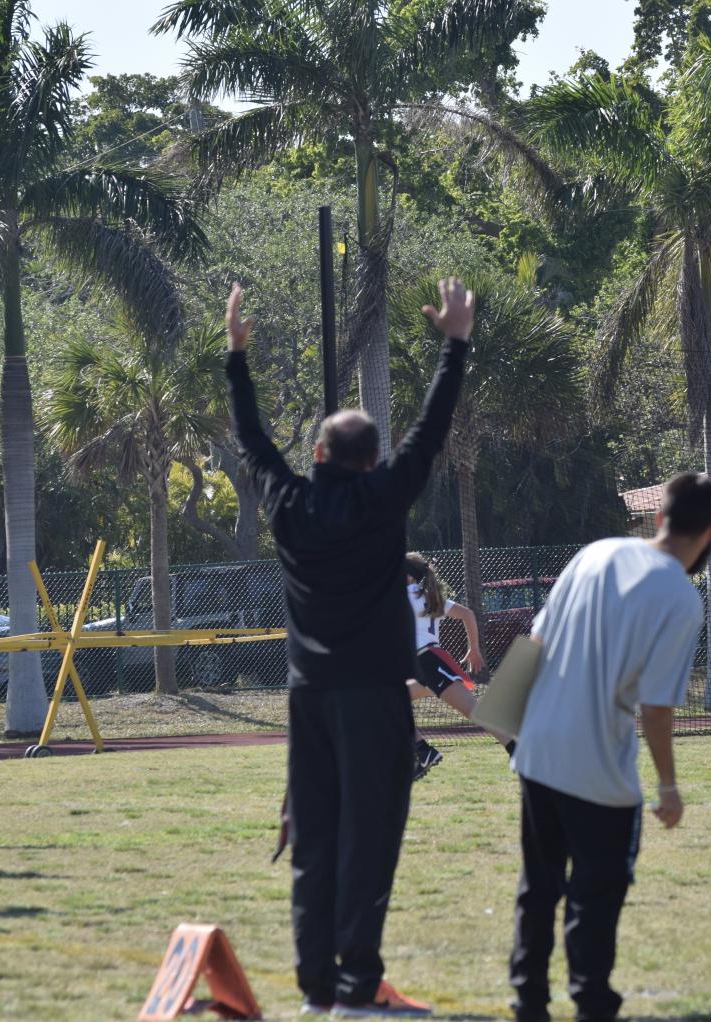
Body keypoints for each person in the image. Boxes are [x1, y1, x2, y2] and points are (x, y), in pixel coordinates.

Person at [225, 278, 474, 1017]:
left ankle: (313, 991)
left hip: (307, 700)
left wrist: (236, 357)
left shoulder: (288, 503)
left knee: (315, 845)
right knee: (370, 844)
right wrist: (453, 345)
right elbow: (430, 432)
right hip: (373, 698)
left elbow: (251, 439)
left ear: (316, 453)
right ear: (372, 464)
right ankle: (355, 988)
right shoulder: (382, 498)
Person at [506, 472, 711, 1022]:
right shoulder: (681, 598)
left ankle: (528, 1002)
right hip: (597, 768)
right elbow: (656, 706)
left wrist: (505, 722)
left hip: (538, 749)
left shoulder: (596, 553)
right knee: (595, 896)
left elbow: (535, 640)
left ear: (658, 518)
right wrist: (668, 785)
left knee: (539, 886)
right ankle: (592, 1003)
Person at [403, 552, 513, 776]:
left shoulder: (408, 596)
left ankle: (519, 751)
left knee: (475, 710)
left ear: (408, 577)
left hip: (428, 662)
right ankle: (423, 752)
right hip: (424, 664)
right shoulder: (426, 596)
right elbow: (467, 614)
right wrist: (473, 648)